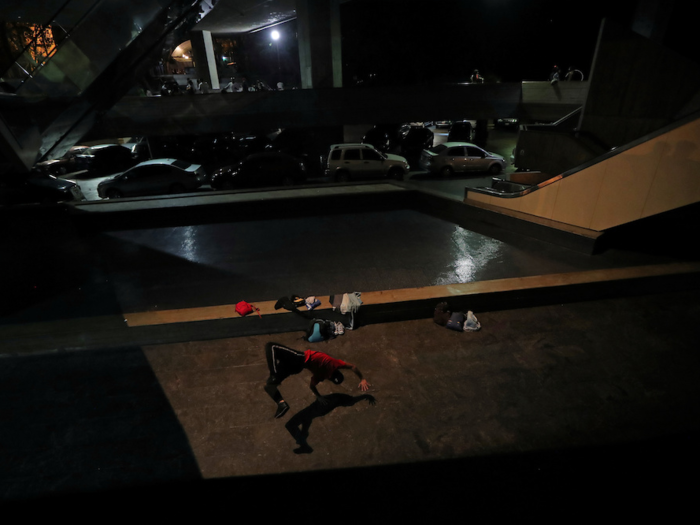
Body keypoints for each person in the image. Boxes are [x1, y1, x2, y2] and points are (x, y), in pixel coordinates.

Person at [264, 342, 371, 419]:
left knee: (271, 346)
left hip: (300, 358)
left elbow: (353, 366)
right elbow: (312, 386)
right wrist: (318, 396)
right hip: (295, 368)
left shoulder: (334, 364)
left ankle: (274, 376)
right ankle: (281, 404)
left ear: (337, 371)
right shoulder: (322, 375)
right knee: (269, 385)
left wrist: (362, 379)